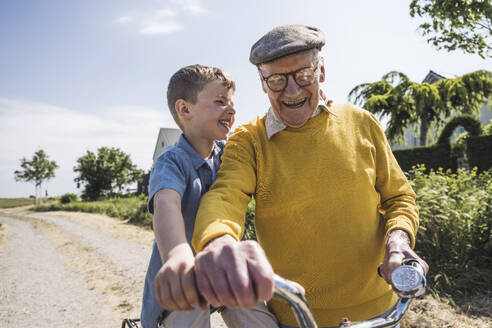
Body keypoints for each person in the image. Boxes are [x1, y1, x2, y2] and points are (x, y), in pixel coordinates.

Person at [191, 25, 429, 328]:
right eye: (276, 80)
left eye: (304, 75)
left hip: (381, 311)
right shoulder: (248, 141)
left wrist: (398, 241)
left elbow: (399, 197)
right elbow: (225, 196)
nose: (292, 91)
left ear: (322, 71)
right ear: (262, 84)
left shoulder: (362, 122)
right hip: (296, 316)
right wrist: (218, 244)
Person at [140, 64, 278, 328]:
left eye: (232, 103)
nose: (232, 109)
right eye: (220, 101)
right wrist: (178, 255)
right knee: (186, 312)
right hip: (184, 276)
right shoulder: (171, 162)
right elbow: (166, 205)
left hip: (224, 267)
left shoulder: (231, 155)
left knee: (260, 320)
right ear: (185, 109)